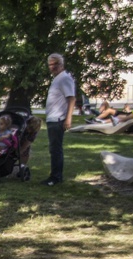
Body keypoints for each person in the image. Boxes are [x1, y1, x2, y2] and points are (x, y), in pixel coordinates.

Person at [42, 53, 75, 186]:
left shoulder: (64, 78)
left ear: (61, 64)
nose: (53, 67)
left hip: (58, 119)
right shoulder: (57, 79)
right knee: (53, 149)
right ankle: (54, 175)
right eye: (50, 64)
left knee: (56, 149)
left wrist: (68, 119)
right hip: (52, 118)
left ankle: (56, 177)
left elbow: (71, 98)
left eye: (55, 64)